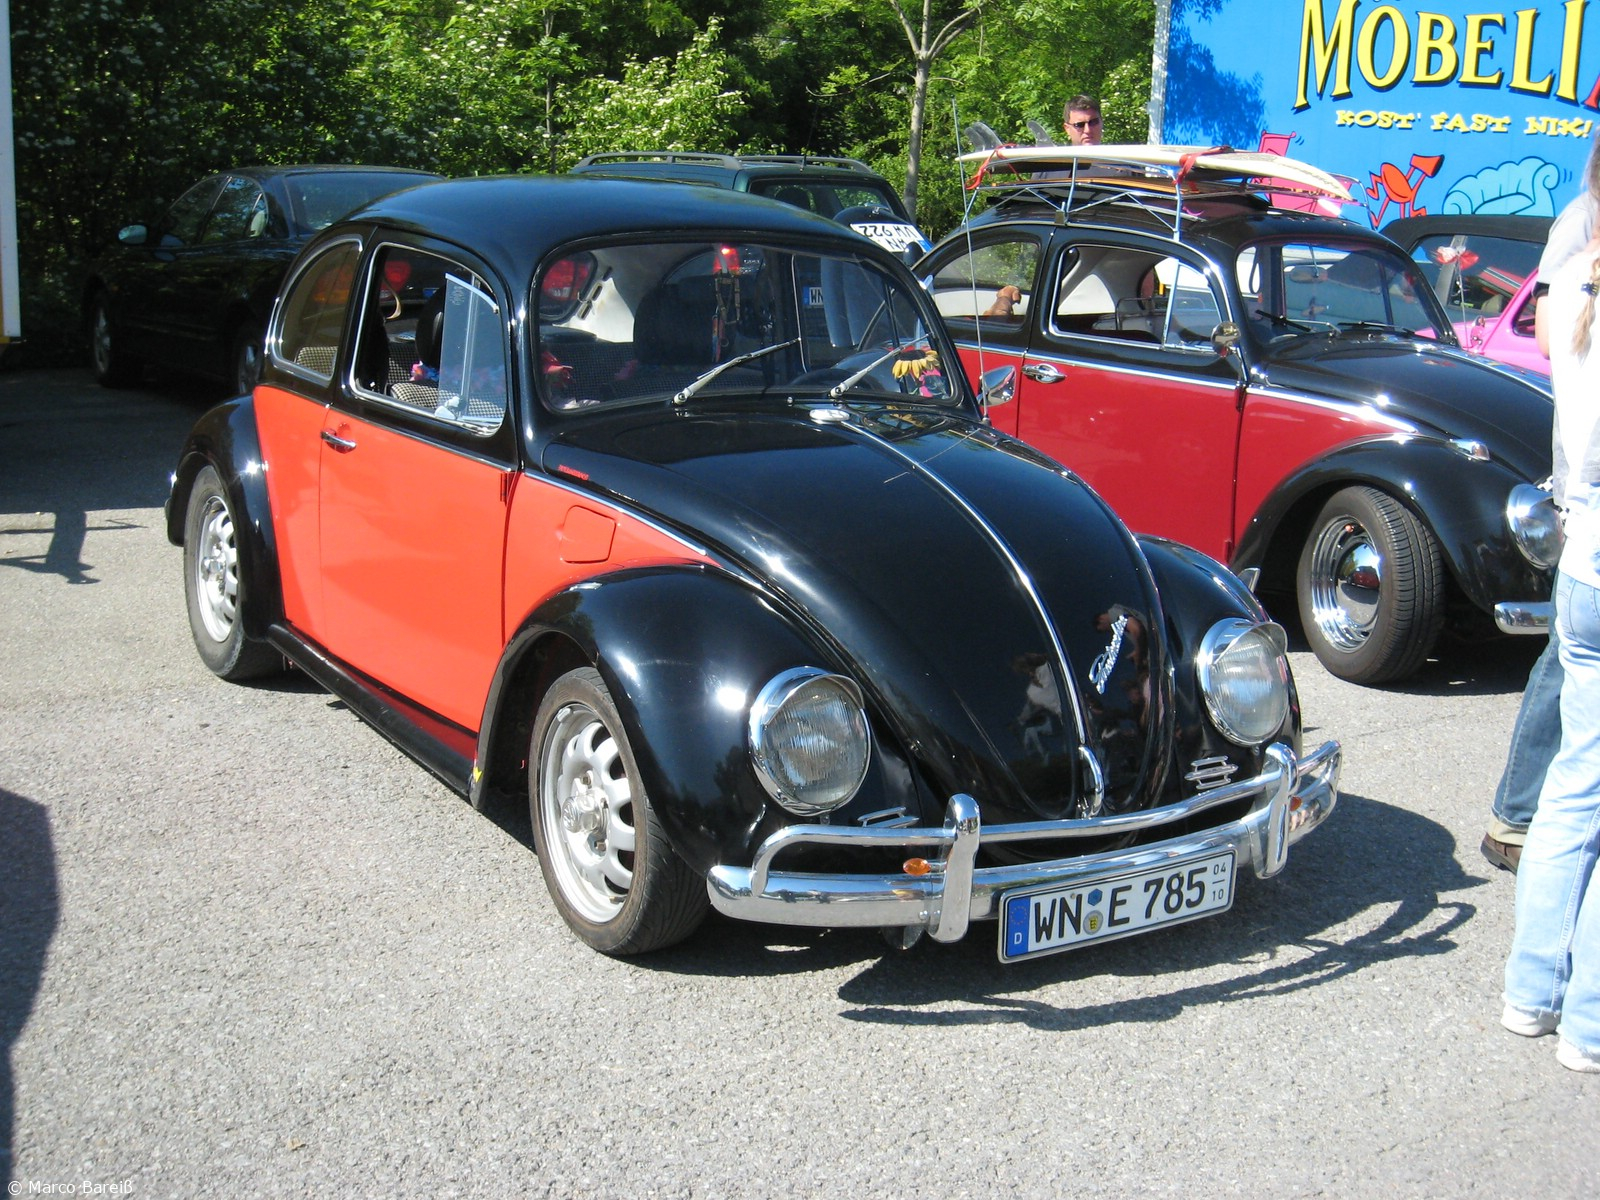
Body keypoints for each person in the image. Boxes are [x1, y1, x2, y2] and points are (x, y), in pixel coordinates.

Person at [1501, 134, 1600, 1074]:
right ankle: (1589, 1025)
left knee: (1574, 786)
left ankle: (1532, 992)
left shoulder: (1572, 281)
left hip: (1582, 548)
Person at [1481, 183, 1598, 874]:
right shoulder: (1581, 223)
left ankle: (1526, 814)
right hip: (1587, 497)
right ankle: (1520, 812)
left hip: (1584, 493)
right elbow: (1554, 338)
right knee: (1569, 653)